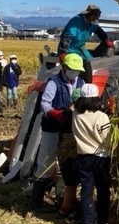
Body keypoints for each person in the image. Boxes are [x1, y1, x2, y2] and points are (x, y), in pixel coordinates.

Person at [31, 54, 85, 213]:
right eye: (72, 70)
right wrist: (55, 113)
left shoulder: (80, 82)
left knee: (65, 166)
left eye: (77, 70)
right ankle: (37, 202)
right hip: (52, 127)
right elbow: (44, 104)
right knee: (46, 162)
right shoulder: (53, 82)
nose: (75, 73)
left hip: (69, 131)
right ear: (64, 68)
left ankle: (62, 200)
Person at [72, 83, 112, 224]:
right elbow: (106, 140)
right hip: (101, 158)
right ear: (97, 98)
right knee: (103, 190)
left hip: (83, 157)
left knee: (86, 191)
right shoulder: (101, 116)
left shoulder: (76, 114)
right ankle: (102, 221)